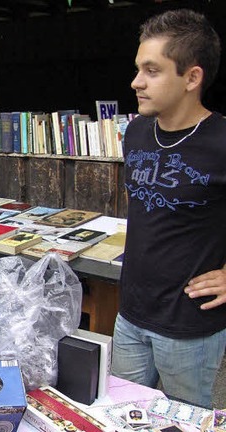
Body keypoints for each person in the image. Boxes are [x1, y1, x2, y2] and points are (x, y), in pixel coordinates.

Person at [112, 9, 226, 408]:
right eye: (138, 69)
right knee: (121, 414)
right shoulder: (138, 131)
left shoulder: (221, 142)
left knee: (183, 418)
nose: (136, 82)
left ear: (192, 78)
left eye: (152, 70)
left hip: (189, 328)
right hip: (130, 314)